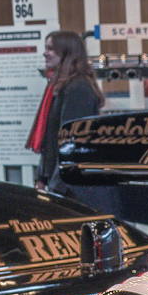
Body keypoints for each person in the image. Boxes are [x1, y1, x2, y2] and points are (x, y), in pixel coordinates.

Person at [29, 30, 105, 189]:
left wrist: (57, 187)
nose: (45, 53)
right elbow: (50, 138)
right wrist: (41, 178)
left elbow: (71, 142)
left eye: (51, 49)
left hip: (70, 185)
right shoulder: (58, 86)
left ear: (67, 52)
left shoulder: (77, 88)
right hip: (58, 180)